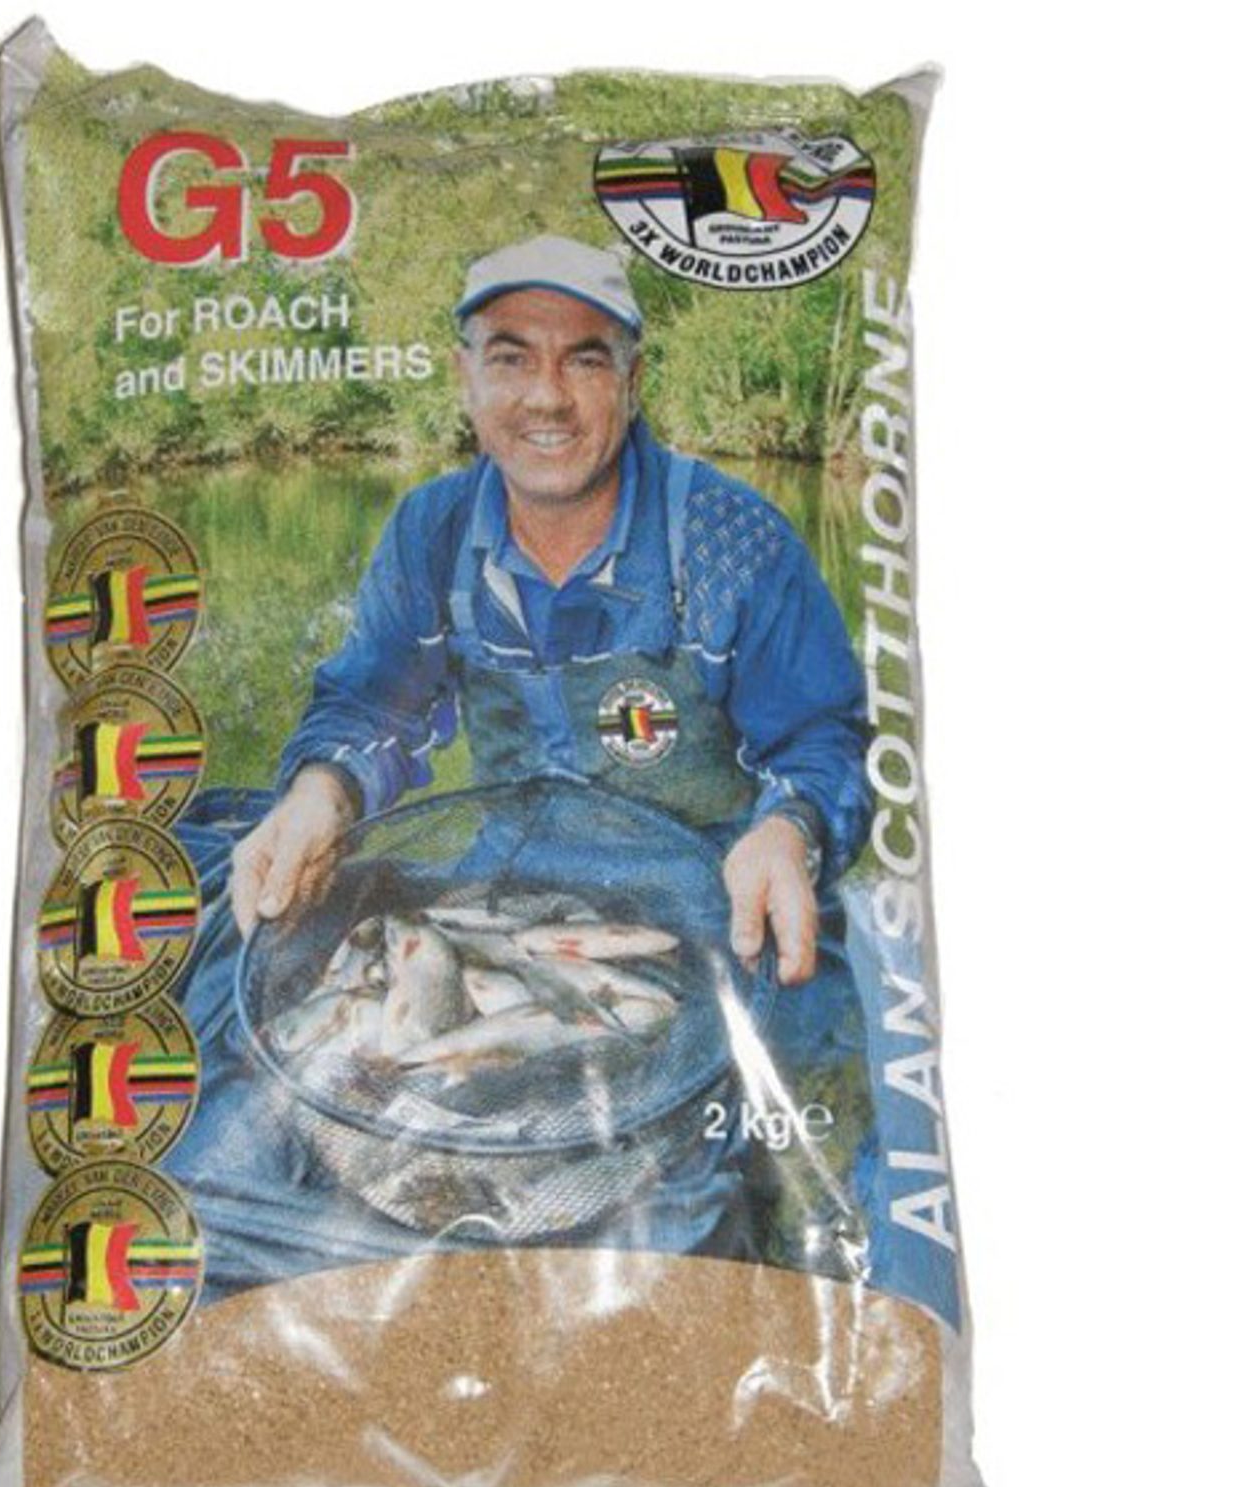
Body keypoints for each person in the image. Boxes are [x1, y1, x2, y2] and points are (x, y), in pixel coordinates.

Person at [231, 234, 872, 980]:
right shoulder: (430, 532)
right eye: (511, 359)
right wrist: (322, 792)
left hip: (715, 905)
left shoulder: (731, 540)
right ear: (464, 377)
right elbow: (372, 707)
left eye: (585, 360)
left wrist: (788, 831)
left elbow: (822, 741)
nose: (547, 397)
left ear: (633, 380)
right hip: (512, 895)